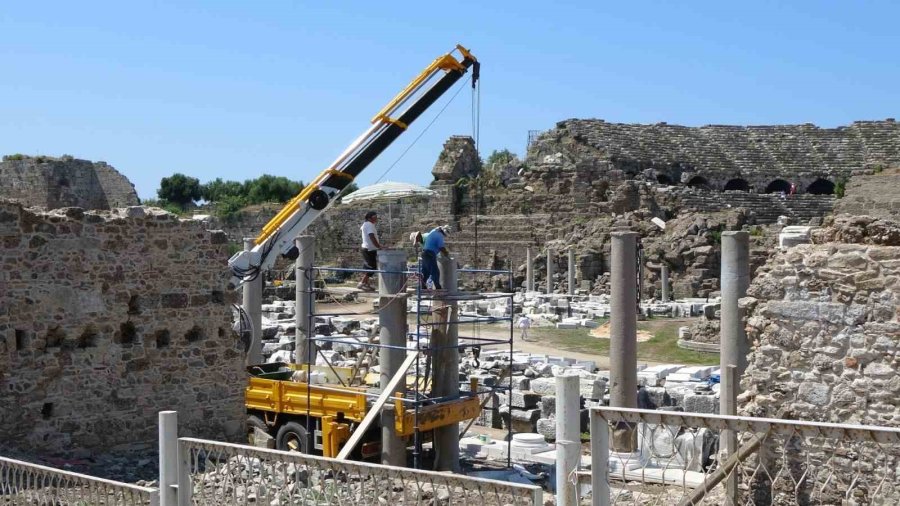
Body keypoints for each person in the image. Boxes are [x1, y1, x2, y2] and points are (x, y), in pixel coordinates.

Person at [420, 225, 451, 290]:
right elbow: (441, 247)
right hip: (430, 254)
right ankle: (438, 287)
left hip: (424, 253)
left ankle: (422, 287)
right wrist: (446, 254)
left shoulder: (434, 231)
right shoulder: (439, 236)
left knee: (426, 271)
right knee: (435, 271)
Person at [358, 211, 382, 290]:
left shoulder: (366, 224)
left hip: (367, 248)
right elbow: (371, 236)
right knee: (372, 268)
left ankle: (366, 283)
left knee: (367, 267)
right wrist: (378, 246)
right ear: (370, 218)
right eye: (374, 217)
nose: (376, 219)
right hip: (369, 249)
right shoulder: (369, 225)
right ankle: (362, 283)